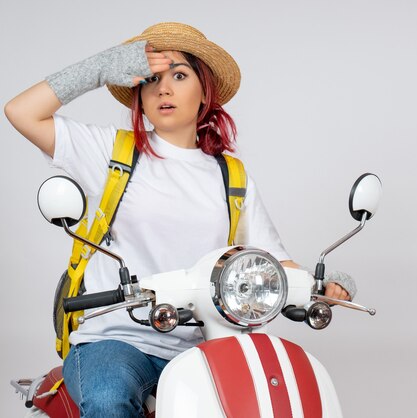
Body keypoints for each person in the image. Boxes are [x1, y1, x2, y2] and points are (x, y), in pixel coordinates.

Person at [5, 22, 356, 417]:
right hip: (117, 341)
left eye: (179, 75)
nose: (163, 88)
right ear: (138, 92)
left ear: (205, 91)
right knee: (109, 398)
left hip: (203, 344)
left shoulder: (231, 176)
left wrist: (324, 285)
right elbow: (21, 112)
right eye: (150, 78)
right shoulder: (110, 153)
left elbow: (273, 261)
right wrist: (101, 67)